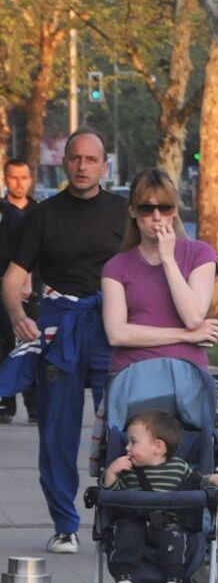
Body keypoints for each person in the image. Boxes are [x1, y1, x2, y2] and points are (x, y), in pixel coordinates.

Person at [0, 128, 127, 554]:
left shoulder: (123, 213)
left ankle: (118, 520)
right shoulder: (43, 216)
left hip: (110, 328)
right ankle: (65, 524)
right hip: (60, 328)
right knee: (57, 431)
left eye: (91, 159)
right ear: (64, 162)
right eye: (75, 158)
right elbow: (13, 277)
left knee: (123, 429)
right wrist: (18, 316)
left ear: (104, 167)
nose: (82, 166)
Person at [101, 409, 218, 583]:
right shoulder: (127, 472)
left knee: (175, 536)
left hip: (170, 525)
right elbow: (111, 493)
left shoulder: (178, 468)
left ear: (158, 446)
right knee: (126, 530)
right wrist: (111, 472)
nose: (127, 447)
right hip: (136, 524)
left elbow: (198, 481)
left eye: (133, 442)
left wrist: (215, 478)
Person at [101, 168, 218, 376]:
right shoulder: (116, 266)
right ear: (132, 211)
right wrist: (186, 335)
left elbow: (193, 317)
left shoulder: (200, 253)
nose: (156, 217)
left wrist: (168, 260)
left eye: (165, 208)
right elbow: (116, 334)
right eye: (146, 208)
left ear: (174, 211)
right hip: (133, 372)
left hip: (187, 373)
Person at [0, 158, 39, 423]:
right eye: (13, 177)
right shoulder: (3, 213)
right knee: (4, 344)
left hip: (35, 292)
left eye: (24, 177)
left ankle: (35, 405)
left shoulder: (40, 213)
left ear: (30, 179)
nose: (19, 183)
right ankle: (6, 402)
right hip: (4, 289)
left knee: (33, 345)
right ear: (5, 180)